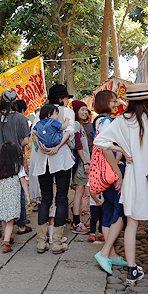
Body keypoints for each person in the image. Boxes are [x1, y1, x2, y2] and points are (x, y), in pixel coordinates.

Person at [94, 83, 148, 286]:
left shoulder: (121, 121)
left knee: (132, 224)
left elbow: (99, 141)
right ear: (147, 101)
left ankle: (131, 271)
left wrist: (123, 150)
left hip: (133, 180)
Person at [31, 84, 76, 254]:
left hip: (43, 161)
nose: (67, 101)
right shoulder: (67, 112)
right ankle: (57, 242)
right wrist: (58, 146)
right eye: (66, 98)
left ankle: (41, 242)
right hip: (61, 159)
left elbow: (33, 133)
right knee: (62, 197)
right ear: (60, 99)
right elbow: (70, 131)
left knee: (46, 198)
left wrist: (42, 146)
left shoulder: (40, 112)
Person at [0, 90, 32, 238]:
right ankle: (22, 225)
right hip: (15, 163)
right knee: (19, 195)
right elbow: (26, 140)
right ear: (15, 102)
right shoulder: (20, 118)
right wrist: (18, 144)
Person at [91, 90, 129, 274]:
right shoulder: (106, 121)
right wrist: (119, 173)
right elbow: (106, 148)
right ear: (105, 102)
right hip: (113, 171)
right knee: (120, 210)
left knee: (107, 211)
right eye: (114, 101)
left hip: (106, 172)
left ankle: (112, 254)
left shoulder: (100, 120)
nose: (116, 103)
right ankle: (105, 253)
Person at [0, 142, 32, 253]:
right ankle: (6, 243)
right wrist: (27, 195)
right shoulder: (18, 167)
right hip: (13, 197)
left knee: (4, 218)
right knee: (10, 220)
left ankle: (6, 236)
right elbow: (23, 182)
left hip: (1, 196)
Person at [70, 99, 91, 234]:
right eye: (81, 109)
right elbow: (78, 145)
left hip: (82, 162)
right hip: (80, 164)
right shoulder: (76, 124)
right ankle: (76, 222)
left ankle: (77, 220)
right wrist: (85, 162)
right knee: (79, 191)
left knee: (80, 191)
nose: (85, 112)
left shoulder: (80, 125)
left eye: (85, 109)